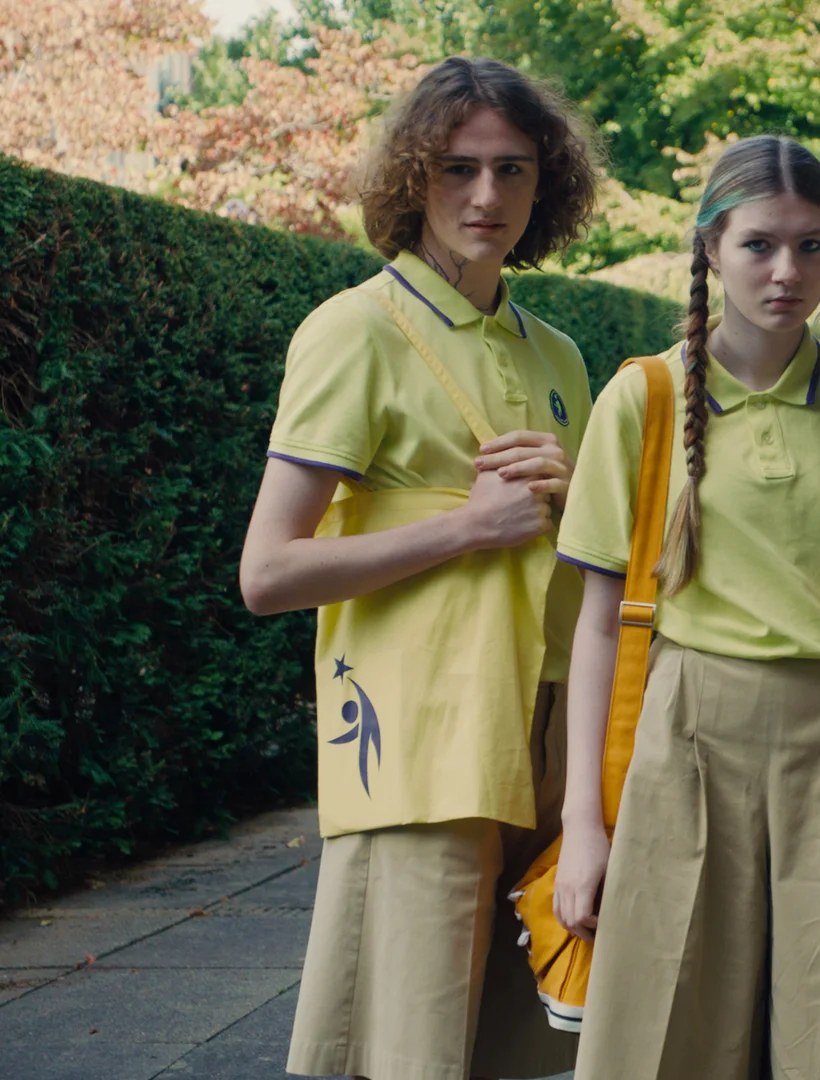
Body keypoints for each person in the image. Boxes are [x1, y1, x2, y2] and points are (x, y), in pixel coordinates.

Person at [550, 134, 820, 1080]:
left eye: (812, 246)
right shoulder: (642, 400)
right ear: (710, 248)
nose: (787, 271)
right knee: (668, 1031)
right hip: (686, 733)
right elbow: (597, 626)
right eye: (759, 245)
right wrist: (582, 826)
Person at [237, 56, 602, 1080]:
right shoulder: (355, 331)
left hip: (547, 740)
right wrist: (465, 528)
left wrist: (577, 496)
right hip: (419, 745)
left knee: (527, 1046)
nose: (488, 195)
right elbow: (267, 573)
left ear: (546, 184)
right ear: (412, 177)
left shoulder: (559, 355)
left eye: (513, 169)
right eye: (457, 168)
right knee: (408, 1048)